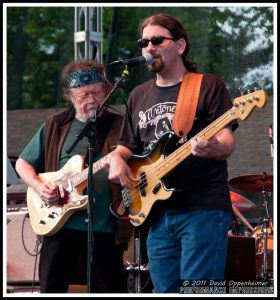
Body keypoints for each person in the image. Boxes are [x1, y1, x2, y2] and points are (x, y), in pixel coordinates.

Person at [108, 13, 238, 293]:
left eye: (157, 40)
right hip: (157, 212)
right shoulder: (138, 95)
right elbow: (125, 148)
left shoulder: (206, 85)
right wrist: (117, 161)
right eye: (144, 42)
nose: (148, 47)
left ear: (180, 46)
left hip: (201, 208)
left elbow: (226, 140)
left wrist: (214, 147)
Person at [15, 59, 131, 293]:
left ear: (107, 91)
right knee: (52, 286)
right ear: (70, 95)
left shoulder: (121, 125)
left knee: (110, 288)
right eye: (83, 95)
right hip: (58, 224)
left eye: (97, 93)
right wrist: (39, 187)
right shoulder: (55, 125)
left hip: (105, 226)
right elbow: (23, 163)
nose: (91, 100)